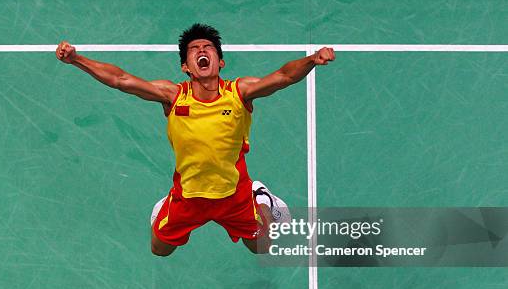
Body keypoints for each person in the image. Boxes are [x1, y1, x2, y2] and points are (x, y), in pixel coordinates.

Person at [56, 23, 335, 256]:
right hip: (189, 197)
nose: (202, 51)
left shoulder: (239, 93)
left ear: (220, 61)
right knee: (159, 250)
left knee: (263, 247)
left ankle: (260, 197)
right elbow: (121, 79)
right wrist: (76, 59)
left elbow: (284, 76)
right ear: (185, 67)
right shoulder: (173, 96)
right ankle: (167, 204)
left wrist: (312, 60)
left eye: (208, 48)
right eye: (194, 50)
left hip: (233, 195)